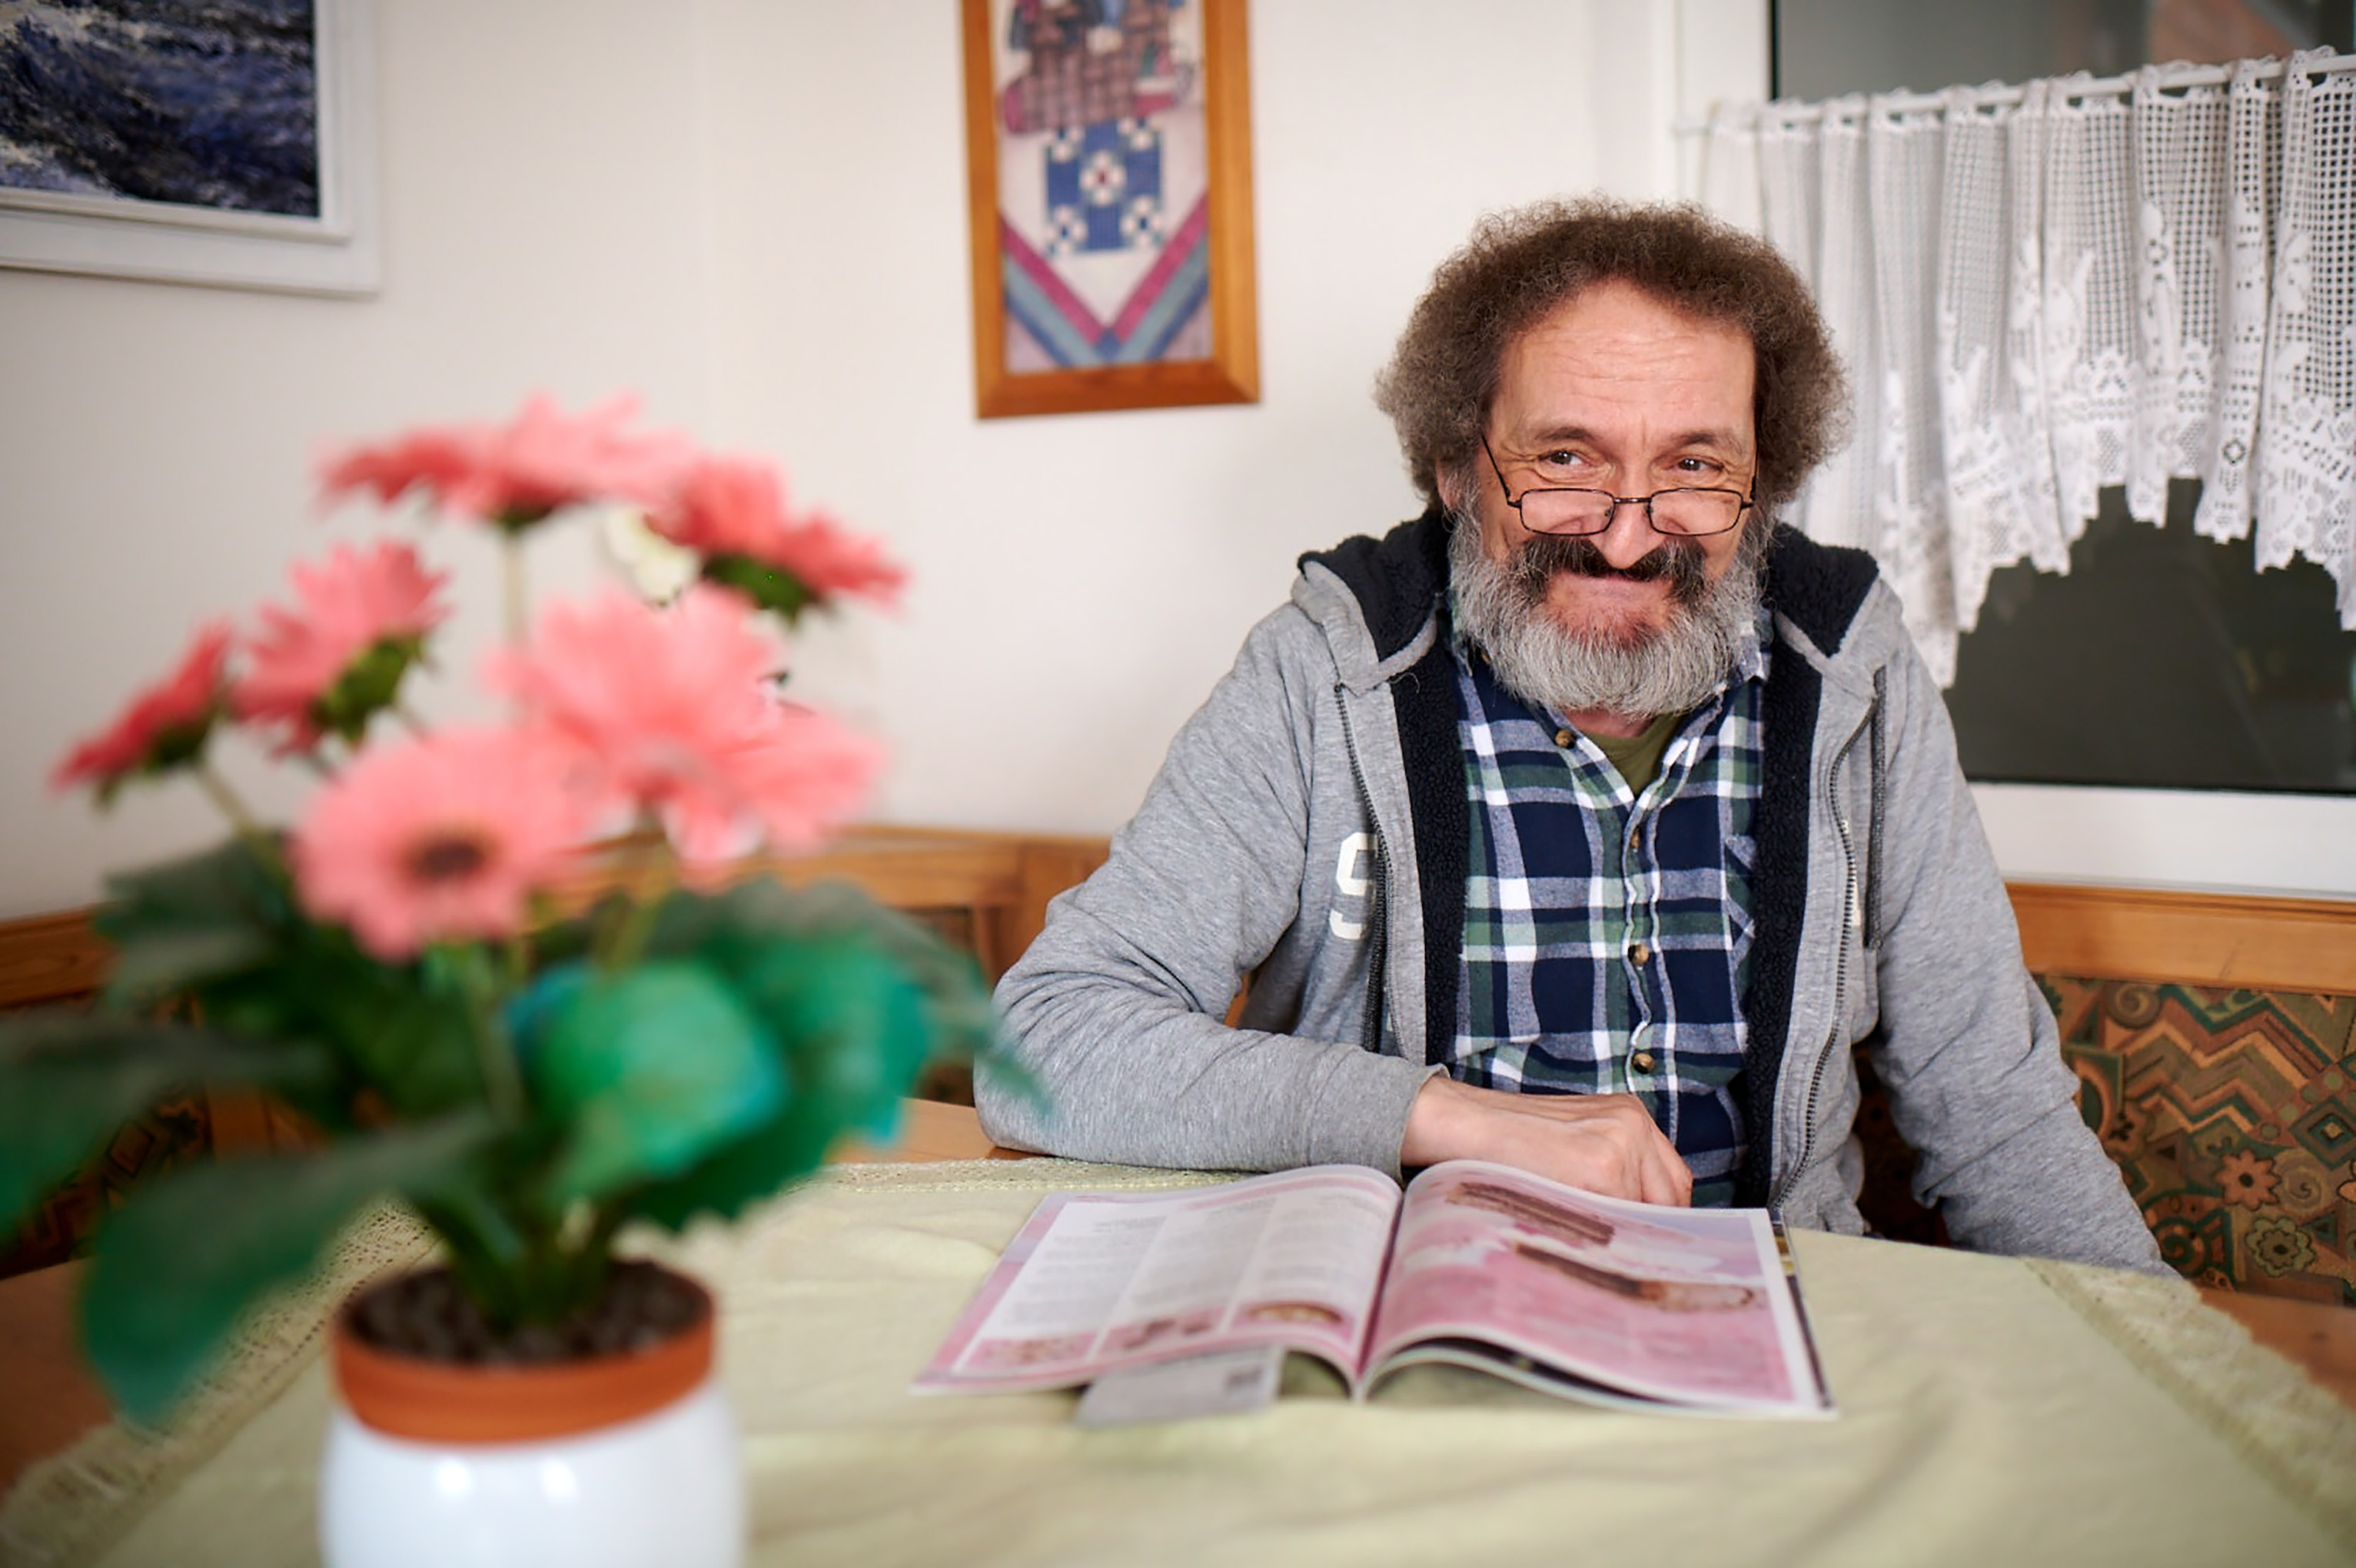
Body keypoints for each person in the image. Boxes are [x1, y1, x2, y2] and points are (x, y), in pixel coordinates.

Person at [978, 197, 2163, 1272]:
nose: (1628, 538)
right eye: (1563, 461)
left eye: (1694, 468)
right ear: (1453, 468)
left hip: (1780, 1317)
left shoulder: (1847, 665)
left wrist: (2165, 1363)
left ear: (1764, 481)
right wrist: (1436, 1117)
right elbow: (1049, 1039)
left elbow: (1992, 1107)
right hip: (1412, 1311)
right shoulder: (1323, 669)